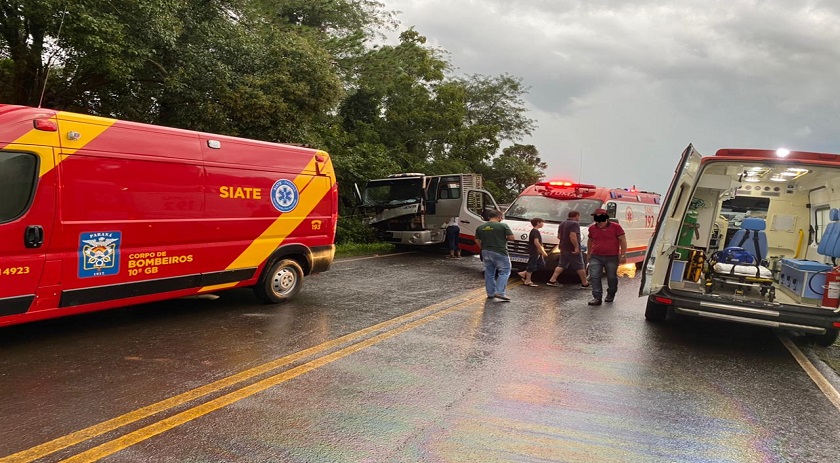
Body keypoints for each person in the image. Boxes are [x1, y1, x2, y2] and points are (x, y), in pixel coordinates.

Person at [586, 208, 627, 305]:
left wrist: (623, 255)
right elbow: (590, 240)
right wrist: (589, 253)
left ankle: (611, 294)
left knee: (611, 277)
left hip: (611, 257)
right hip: (596, 256)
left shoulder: (616, 227)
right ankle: (597, 297)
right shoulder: (592, 228)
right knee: (595, 276)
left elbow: (623, 240)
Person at [475, 209, 515, 301]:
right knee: (505, 271)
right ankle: (500, 292)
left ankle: (490, 293)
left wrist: (483, 248)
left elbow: (476, 240)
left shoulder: (480, 227)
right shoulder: (503, 226)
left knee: (489, 273)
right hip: (500, 251)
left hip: (485, 251)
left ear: (489, 217)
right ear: (499, 217)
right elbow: (511, 237)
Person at [546, 210, 590, 288]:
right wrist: (576, 247)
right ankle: (585, 283)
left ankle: (552, 280)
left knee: (561, 264)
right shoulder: (575, 224)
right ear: (576, 216)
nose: (579, 218)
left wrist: (563, 243)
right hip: (572, 249)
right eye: (579, 216)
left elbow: (559, 236)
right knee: (580, 265)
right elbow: (572, 235)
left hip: (563, 247)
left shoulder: (562, 223)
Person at [517, 217, 548, 286]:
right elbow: (536, 242)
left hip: (537, 251)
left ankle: (524, 273)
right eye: (542, 223)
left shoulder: (535, 231)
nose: (543, 224)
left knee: (541, 264)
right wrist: (542, 251)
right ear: (538, 223)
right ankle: (528, 280)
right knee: (532, 264)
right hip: (534, 251)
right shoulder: (535, 231)